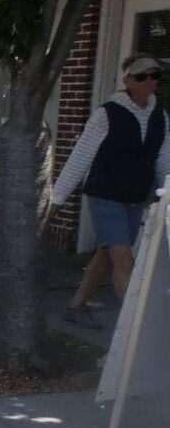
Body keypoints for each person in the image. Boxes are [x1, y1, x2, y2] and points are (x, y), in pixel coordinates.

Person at [53, 53, 168, 326]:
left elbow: (164, 159)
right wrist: (56, 198)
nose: (149, 81)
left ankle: (76, 305)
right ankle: (132, 329)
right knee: (124, 259)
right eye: (142, 76)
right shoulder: (106, 114)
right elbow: (81, 157)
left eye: (154, 75)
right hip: (106, 194)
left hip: (136, 196)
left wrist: (167, 190)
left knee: (107, 253)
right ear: (128, 80)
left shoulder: (160, 116)